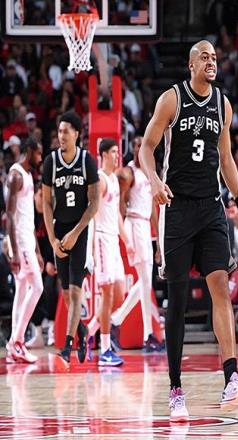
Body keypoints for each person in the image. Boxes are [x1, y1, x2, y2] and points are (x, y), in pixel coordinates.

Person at [139, 40, 238, 421]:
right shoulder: (172, 100)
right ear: (191, 65)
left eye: (214, 58)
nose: (211, 62)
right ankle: (175, 389)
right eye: (204, 57)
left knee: (220, 286)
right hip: (176, 208)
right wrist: (154, 181)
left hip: (210, 208)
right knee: (178, 301)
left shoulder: (222, 103)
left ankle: (231, 378)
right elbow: (146, 148)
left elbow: (226, 158)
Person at [41, 111, 99, 365]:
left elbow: (94, 203)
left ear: (77, 134)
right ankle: (82, 330)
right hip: (60, 230)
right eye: (59, 131)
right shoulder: (51, 162)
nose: (62, 135)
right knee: (65, 294)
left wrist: (76, 233)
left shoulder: (87, 161)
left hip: (81, 229)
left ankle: (67, 346)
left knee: (76, 291)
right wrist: (53, 240)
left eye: (66, 131)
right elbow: (46, 203)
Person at [110, 136, 163, 353]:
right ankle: (148, 335)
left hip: (145, 227)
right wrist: (121, 233)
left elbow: (153, 210)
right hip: (133, 224)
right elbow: (120, 203)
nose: (138, 148)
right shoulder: (128, 172)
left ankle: (117, 320)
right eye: (135, 145)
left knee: (145, 282)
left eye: (142, 145)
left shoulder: (149, 172)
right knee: (145, 282)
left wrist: (158, 240)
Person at [86, 138, 133, 367]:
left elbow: (116, 215)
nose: (117, 156)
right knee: (107, 295)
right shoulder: (100, 180)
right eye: (114, 152)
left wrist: (127, 241)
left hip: (113, 240)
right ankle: (104, 350)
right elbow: (91, 216)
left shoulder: (114, 179)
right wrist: (91, 251)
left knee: (120, 294)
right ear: (104, 154)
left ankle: (90, 330)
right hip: (102, 239)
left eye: (117, 152)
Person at [5, 138, 43, 363]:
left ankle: (13, 345)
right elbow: (9, 215)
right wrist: (13, 250)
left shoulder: (28, 175)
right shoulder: (16, 175)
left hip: (28, 237)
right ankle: (16, 341)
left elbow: (29, 216)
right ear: (29, 151)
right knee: (37, 287)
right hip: (19, 239)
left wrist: (37, 250)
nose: (40, 158)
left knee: (21, 292)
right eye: (38, 154)